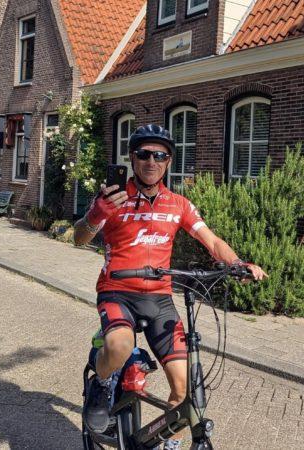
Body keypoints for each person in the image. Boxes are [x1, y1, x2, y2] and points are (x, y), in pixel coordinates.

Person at [74, 124, 267, 449]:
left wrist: (237, 263)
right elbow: (79, 237)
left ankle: (170, 445)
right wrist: (95, 214)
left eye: (160, 155)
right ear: (132, 158)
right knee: (119, 346)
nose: (151, 161)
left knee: (184, 387)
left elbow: (212, 241)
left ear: (169, 161)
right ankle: (102, 384)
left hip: (159, 299)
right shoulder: (113, 198)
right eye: (144, 154)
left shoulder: (179, 204)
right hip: (117, 291)